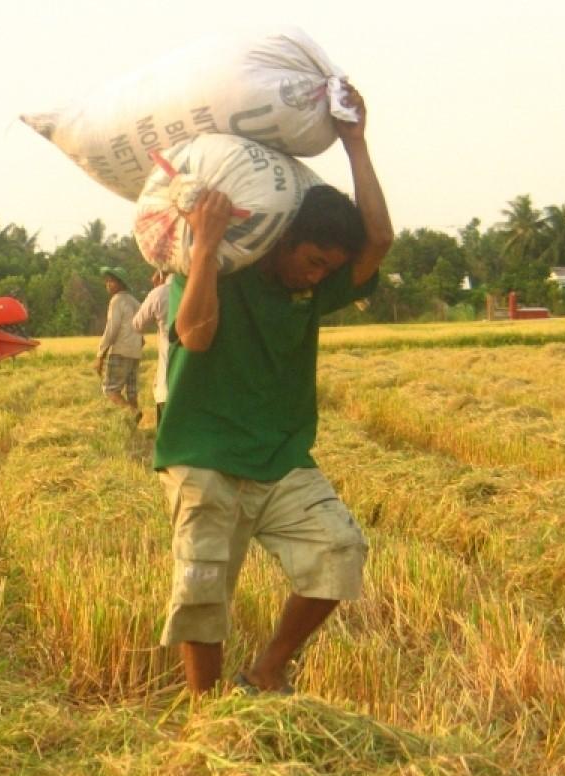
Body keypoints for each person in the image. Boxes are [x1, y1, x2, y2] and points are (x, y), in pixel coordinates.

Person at [154, 80, 393, 696]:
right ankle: (207, 717)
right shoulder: (215, 268)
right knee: (203, 590)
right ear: (280, 239)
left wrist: (356, 145)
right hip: (203, 455)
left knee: (341, 551)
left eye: (329, 270)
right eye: (313, 260)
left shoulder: (313, 286)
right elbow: (195, 336)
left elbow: (380, 242)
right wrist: (205, 242)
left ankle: (266, 671)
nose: (320, 277)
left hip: (281, 458)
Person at [93, 266, 143, 421]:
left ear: (121, 283)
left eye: (111, 281)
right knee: (131, 392)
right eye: (107, 281)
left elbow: (112, 329)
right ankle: (133, 429)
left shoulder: (117, 301)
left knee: (110, 390)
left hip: (120, 351)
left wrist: (100, 355)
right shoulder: (135, 302)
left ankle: (132, 413)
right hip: (135, 352)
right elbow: (141, 330)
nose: (107, 284)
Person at [132, 269, 169, 425]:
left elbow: (137, 324)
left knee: (169, 442)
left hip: (167, 385)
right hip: (202, 389)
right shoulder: (202, 291)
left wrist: (157, 288)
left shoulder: (159, 293)